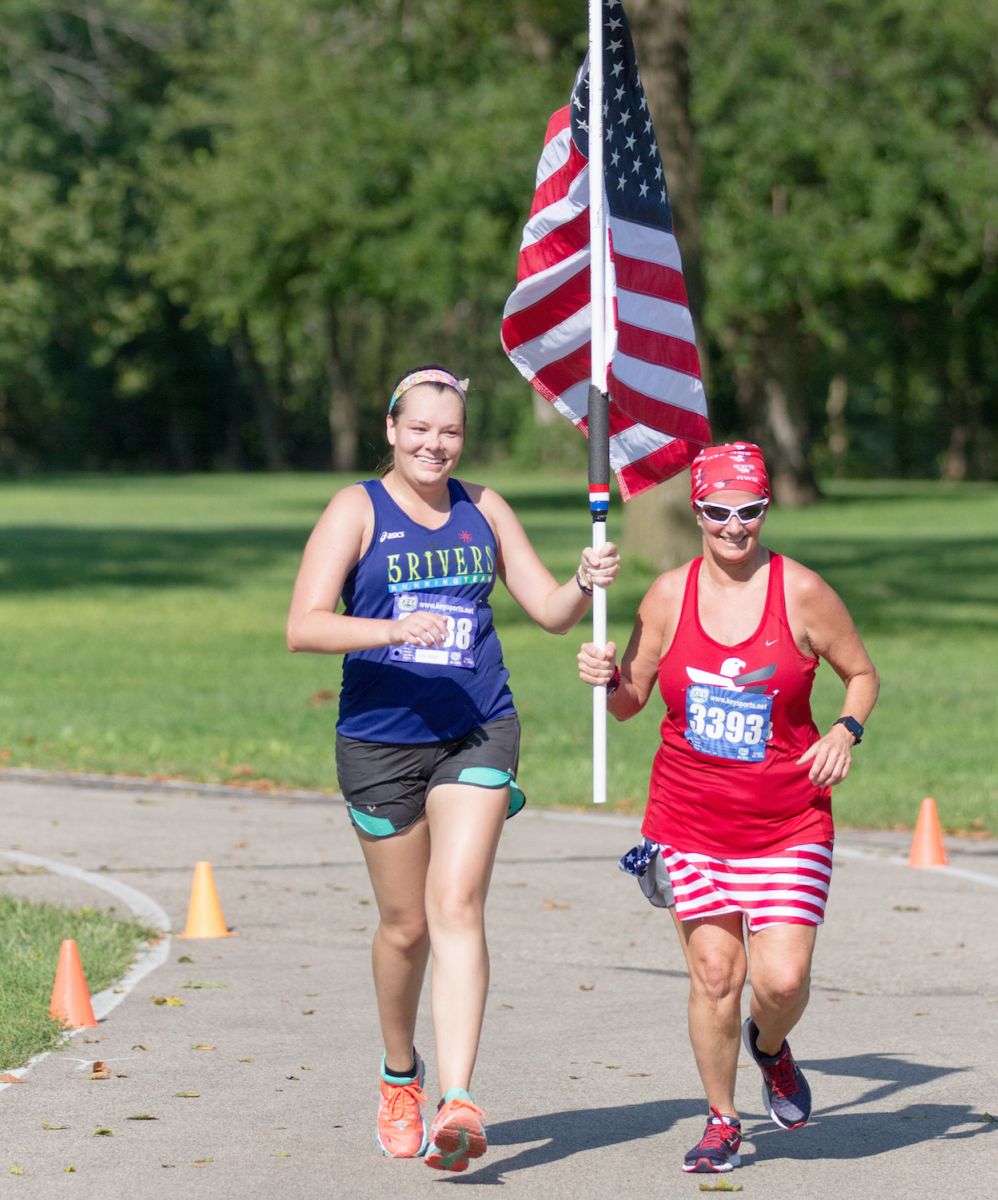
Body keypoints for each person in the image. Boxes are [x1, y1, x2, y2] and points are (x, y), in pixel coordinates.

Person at [287, 365, 619, 1173]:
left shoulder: (484, 508)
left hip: (478, 728)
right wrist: (394, 627)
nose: (435, 444)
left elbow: (545, 611)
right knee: (407, 928)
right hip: (379, 741)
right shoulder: (354, 511)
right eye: (421, 429)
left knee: (456, 903)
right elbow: (304, 626)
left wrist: (582, 582)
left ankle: (459, 1099)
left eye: (451, 432)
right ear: (392, 430)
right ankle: (401, 1072)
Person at [578, 442, 878, 1175]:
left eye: (748, 511)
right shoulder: (667, 595)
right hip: (689, 820)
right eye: (717, 511)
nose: (733, 526)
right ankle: (721, 1120)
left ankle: (769, 1047)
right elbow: (628, 705)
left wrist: (845, 728)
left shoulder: (802, 592)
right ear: (698, 511)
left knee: (778, 982)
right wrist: (604, 677)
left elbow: (861, 674)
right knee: (715, 974)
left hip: (787, 821)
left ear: (764, 510)